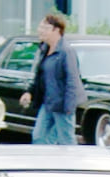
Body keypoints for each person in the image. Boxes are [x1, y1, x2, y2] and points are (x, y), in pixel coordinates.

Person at [19, 13, 84, 145]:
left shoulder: (66, 52)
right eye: (40, 27)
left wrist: (69, 108)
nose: (40, 31)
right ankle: (43, 164)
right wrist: (29, 92)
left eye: (45, 28)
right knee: (39, 137)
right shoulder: (44, 49)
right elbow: (39, 76)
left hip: (63, 105)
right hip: (48, 103)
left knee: (66, 139)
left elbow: (72, 81)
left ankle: (72, 164)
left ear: (56, 30)